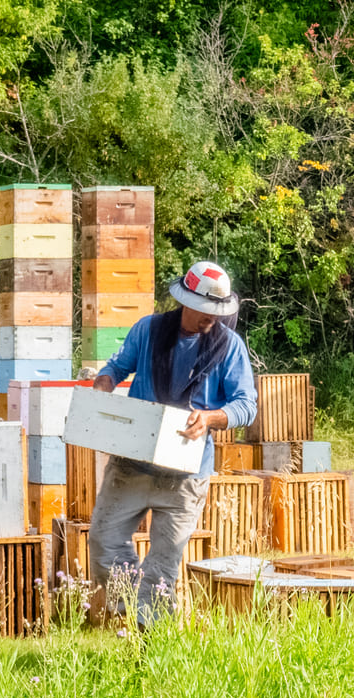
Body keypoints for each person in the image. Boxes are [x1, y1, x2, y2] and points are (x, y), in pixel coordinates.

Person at [89, 261, 258, 624]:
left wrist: (211, 417)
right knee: (103, 547)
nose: (213, 318)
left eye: (219, 311)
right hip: (132, 464)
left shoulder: (230, 346)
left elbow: (246, 404)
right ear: (187, 301)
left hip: (186, 475)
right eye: (207, 310)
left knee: (162, 567)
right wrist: (103, 383)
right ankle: (131, 616)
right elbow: (117, 367)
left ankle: (150, 643)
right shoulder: (149, 330)